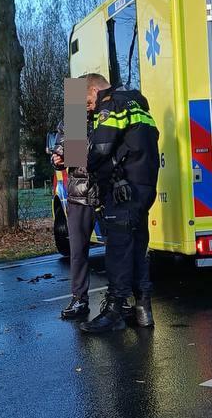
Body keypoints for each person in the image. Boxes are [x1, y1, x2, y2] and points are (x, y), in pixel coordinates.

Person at [80, 73, 160, 334]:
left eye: (85, 101)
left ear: (93, 91)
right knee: (138, 248)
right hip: (143, 187)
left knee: (117, 251)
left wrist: (79, 162)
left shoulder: (111, 106)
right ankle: (143, 308)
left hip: (120, 189)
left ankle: (113, 310)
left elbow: (100, 150)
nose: (85, 108)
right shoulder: (137, 104)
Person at [51, 85, 99, 320]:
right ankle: (79, 299)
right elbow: (64, 148)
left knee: (120, 250)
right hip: (80, 193)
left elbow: (96, 152)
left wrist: (69, 153)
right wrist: (58, 158)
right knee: (78, 250)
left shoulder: (107, 114)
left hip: (105, 191)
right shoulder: (73, 118)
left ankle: (121, 300)